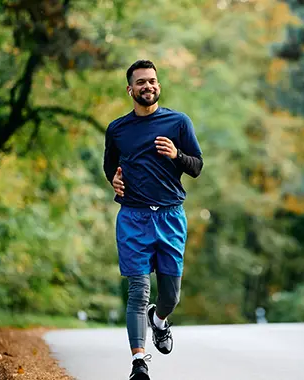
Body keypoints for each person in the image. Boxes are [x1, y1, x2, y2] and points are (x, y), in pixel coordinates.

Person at [103, 59, 203, 380]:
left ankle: (159, 321)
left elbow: (197, 166)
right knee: (138, 289)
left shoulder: (178, 122)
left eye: (152, 81)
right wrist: (114, 180)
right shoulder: (118, 129)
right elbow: (110, 167)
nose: (148, 86)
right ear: (130, 89)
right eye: (141, 82)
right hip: (133, 216)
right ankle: (139, 363)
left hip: (171, 216)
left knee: (170, 295)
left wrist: (177, 155)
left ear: (158, 85)